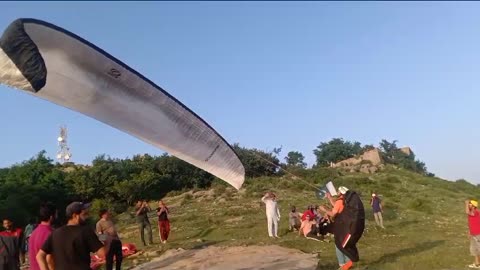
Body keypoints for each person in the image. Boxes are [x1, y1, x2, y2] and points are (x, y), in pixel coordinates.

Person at [36, 202, 106, 270]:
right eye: (84, 214)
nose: (87, 217)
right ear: (75, 216)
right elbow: (103, 254)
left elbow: (40, 256)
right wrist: (105, 238)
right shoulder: (86, 232)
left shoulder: (55, 233)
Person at [319, 187, 352, 270]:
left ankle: (343, 264)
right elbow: (336, 206)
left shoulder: (340, 201)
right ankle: (347, 263)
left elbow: (333, 214)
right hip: (347, 225)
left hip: (341, 226)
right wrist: (330, 198)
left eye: (338, 190)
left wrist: (324, 210)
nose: (337, 191)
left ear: (341, 192)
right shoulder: (344, 200)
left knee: (339, 246)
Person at [28, 203, 56, 270]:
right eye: (56, 214)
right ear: (51, 217)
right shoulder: (50, 233)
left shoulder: (34, 232)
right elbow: (49, 259)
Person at [466, 200, 480, 269]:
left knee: (478, 248)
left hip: (478, 233)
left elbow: (467, 212)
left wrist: (466, 203)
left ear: (474, 206)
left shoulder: (476, 212)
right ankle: (477, 264)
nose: (469, 205)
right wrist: (469, 231)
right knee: (474, 249)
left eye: (470, 204)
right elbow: (471, 223)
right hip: (473, 233)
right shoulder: (472, 212)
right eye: (469, 204)